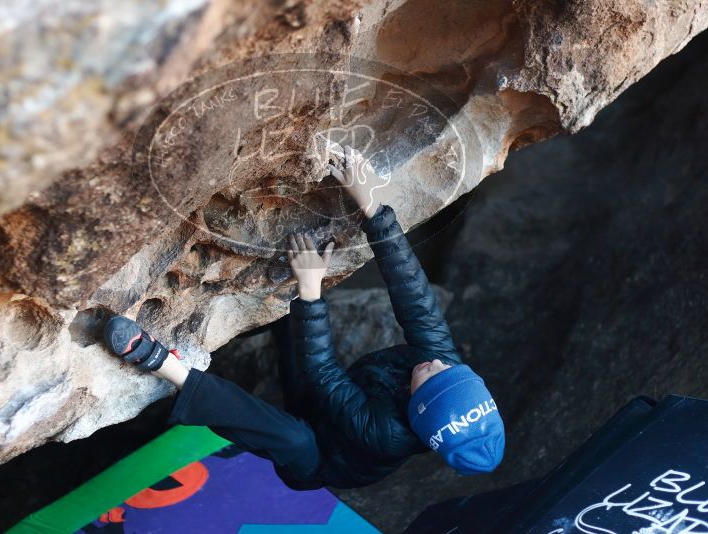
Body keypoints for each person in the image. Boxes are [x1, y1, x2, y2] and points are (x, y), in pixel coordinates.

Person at [103, 146, 505, 490]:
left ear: (419, 410)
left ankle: (162, 363)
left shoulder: (386, 434)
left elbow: (324, 374)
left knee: (292, 437)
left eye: (434, 379)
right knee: (288, 313)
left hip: (318, 456)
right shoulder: (442, 364)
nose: (436, 364)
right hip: (332, 398)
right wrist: (373, 208)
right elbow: (414, 295)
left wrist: (312, 290)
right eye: (453, 371)